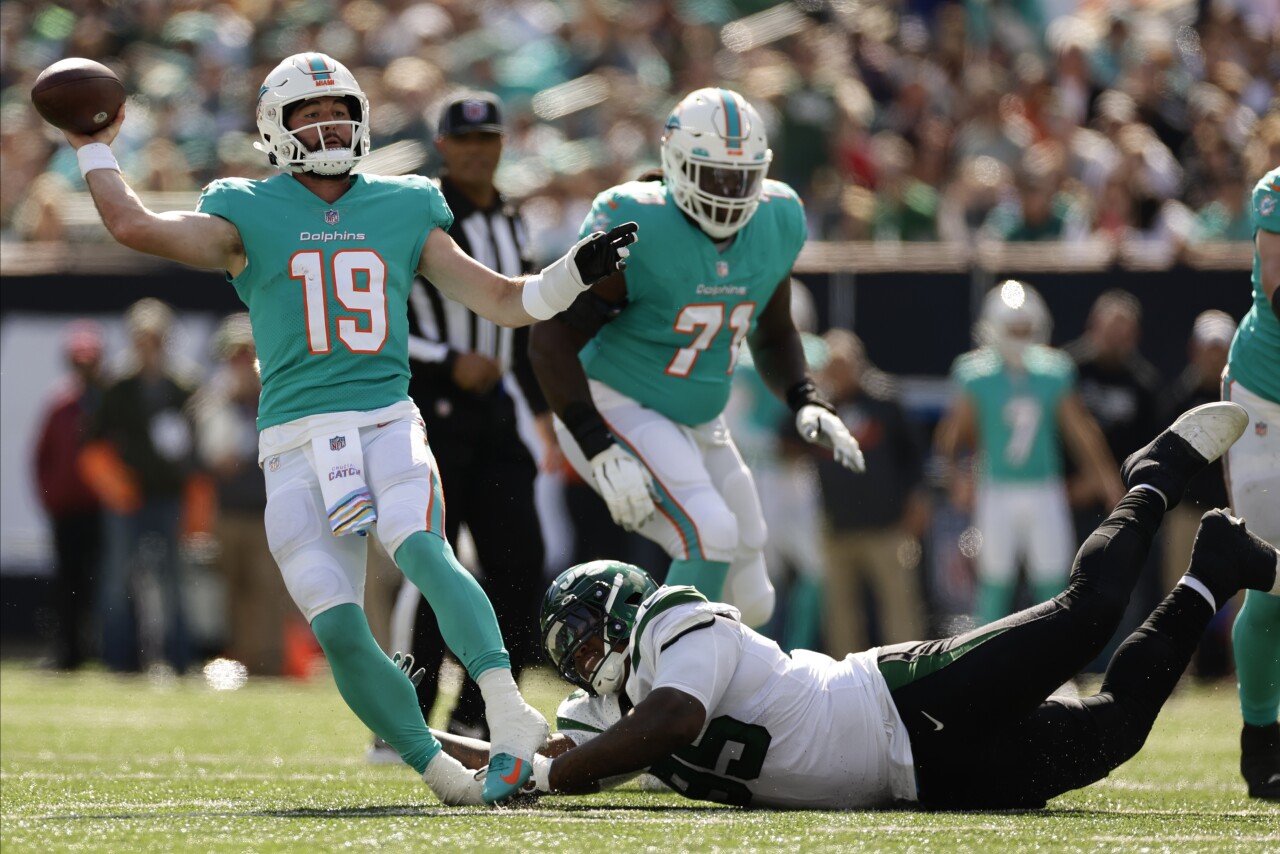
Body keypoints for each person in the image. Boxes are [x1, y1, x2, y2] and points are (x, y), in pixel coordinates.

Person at [52, 51, 636, 805]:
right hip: (293, 443)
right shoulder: (247, 208)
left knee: (424, 549)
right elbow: (131, 224)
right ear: (275, 127)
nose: (328, 124)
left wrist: (572, 272)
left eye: (340, 111)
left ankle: (506, 709)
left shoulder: (403, 203)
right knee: (337, 626)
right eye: (308, 113)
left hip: (385, 420)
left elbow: (504, 301)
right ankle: (441, 772)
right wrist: (91, 144)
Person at [440, 402, 1280, 810]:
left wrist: (548, 772)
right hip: (913, 781)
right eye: (571, 656)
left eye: (587, 641)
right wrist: (421, 738)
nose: (586, 665)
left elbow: (668, 721)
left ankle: (1155, 476)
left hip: (897, 698)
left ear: (623, 612)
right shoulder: (604, 711)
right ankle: (1214, 568)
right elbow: (524, 755)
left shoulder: (675, 622)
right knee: (1113, 736)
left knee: (1087, 613)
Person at [529, 87, 865, 628]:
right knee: (709, 532)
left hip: (698, 417)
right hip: (618, 402)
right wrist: (595, 444)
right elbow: (549, 339)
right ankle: (655, 683)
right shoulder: (636, 225)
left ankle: (713, 679)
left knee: (751, 556)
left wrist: (806, 398)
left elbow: (775, 330)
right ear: (677, 165)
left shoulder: (776, 219)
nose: (730, 193)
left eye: (742, 177)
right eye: (715, 176)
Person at [385, 92, 557, 746]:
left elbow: (518, 330)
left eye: (490, 141)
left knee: (521, 561)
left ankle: (480, 714)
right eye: (467, 140)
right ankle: (404, 714)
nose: (480, 152)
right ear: (445, 145)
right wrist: (445, 358)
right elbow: (377, 312)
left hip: (493, 411)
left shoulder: (511, 218)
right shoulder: (416, 211)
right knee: (431, 563)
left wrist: (542, 414)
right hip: (429, 409)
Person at [935, 280, 1124, 625]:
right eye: (1013, 328)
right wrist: (956, 476)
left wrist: (1108, 480)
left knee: (1053, 580)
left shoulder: (1054, 371)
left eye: (1025, 328)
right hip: (998, 488)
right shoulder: (975, 375)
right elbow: (952, 434)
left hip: (1044, 487)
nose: (1020, 335)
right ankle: (983, 668)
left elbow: (1080, 430)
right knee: (994, 582)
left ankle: (1054, 670)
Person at [84, 298, 198, 674]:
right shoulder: (117, 384)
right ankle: (117, 660)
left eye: (154, 337)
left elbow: (199, 444)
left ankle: (180, 661)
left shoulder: (184, 384)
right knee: (117, 581)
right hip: (128, 501)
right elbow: (92, 443)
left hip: (169, 497)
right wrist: (115, 486)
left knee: (175, 582)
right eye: (141, 338)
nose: (148, 345)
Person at [813, 329, 929, 655]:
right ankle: (843, 680)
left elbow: (915, 457)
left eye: (844, 365)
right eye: (831, 366)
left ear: (859, 364)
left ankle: (909, 670)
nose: (838, 373)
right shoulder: (818, 408)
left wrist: (918, 502)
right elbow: (786, 440)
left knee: (900, 607)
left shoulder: (884, 401)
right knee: (840, 614)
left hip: (887, 527)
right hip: (837, 530)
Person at [190, 313, 291, 675]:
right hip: (228, 511)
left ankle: (269, 664)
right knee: (233, 592)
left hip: (268, 511)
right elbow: (199, 454)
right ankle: (242, 663)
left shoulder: (276, 396)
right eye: (233, 354)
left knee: (267, 591)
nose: (240, 361)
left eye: (246, 352)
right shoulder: (213, 401)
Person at [1223, 164, 1280, 800]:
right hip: (1268, 399)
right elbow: (1279, 280)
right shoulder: (1277, 190)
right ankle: (1261, 740)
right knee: (1271, 579)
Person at [33, 320, 107, 670]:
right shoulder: (59, 404)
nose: (84, 367)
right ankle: (68, 653)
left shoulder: (108, 401)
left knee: (106, 584)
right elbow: (41, 457)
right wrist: (52, 499)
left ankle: (108, 652)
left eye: (88, 360)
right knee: (67, 584)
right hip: (67, 512)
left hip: (103, 510)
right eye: (78, 360)